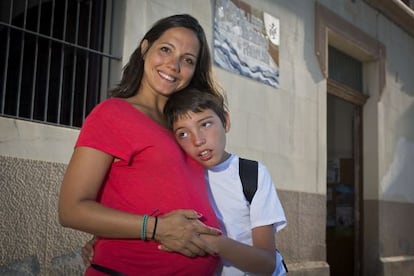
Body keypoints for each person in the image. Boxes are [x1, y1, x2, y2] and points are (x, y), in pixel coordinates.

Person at [58, 14, 224, 276]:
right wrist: (157, 228)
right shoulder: (112, 114)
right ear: (145, 48)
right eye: (166, 49)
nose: (174, 65)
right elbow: (71, 209)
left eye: (188, 60)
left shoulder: (184, 127)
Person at [83, 88, 288, 275]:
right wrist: (102, 241)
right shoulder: (177, 174)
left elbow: (266, 263)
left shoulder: (252, 173)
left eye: (205, 124)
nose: (197, 140)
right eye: (183, 133)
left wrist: (213, 243)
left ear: (225, 121)